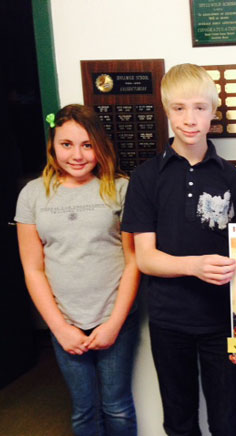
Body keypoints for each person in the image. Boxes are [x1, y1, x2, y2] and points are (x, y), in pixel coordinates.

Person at [121, 63, 236, 436]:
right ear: (166, 110)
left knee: (229, 422)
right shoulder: (146, 178)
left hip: (224, 323)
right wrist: (194, 266)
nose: (189, 118)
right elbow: (144, 257)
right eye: (179, 108)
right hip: (169, 321)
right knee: (178, 422)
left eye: (199, 107)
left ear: (214, 111)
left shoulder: (232, 178)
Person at [15, 104, 140, 436]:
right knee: (84, 411)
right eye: (66, 144)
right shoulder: (33, 195)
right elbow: (33, 269)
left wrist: (114, 323)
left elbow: (133, 262)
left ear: (100, 145)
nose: (77, 155)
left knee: (117, 407)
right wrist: (59, 327)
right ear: (52, 146)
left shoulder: (121, 188)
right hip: (65, 321)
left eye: (87, 144)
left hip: (114, 319)